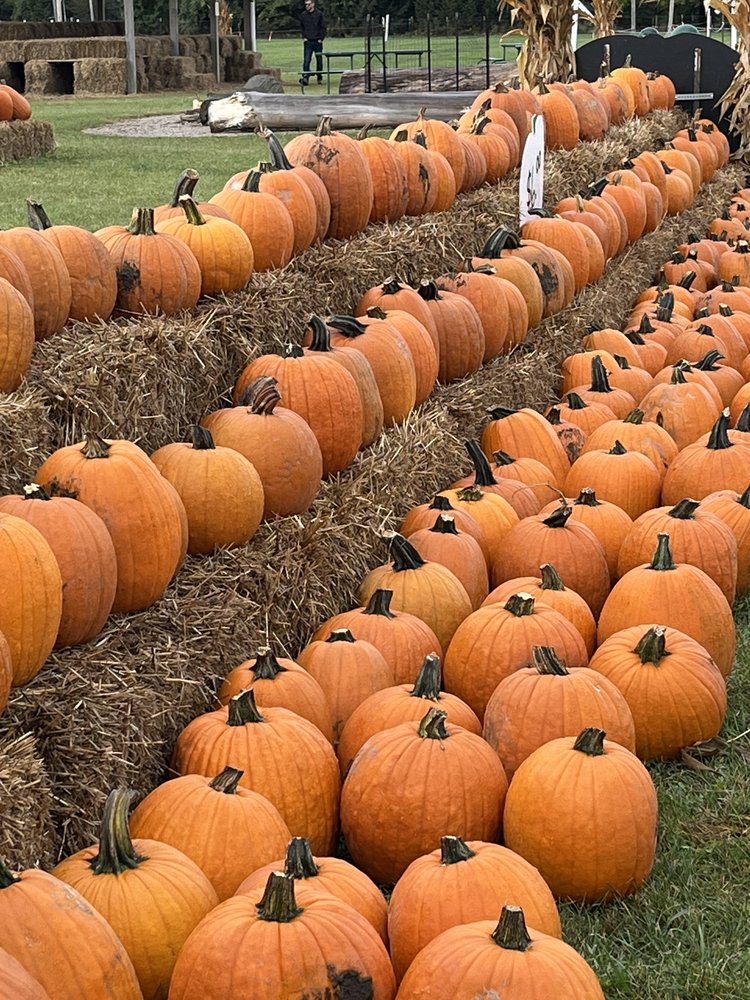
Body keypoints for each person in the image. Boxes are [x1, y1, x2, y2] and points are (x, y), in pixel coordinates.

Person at [292, 0, 326, 86]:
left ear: (313, 4)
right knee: (307, 60)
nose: (307, 6)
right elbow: (302, 27)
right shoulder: (303, 15)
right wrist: (304, 37)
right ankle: (305, 77)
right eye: (306, 4)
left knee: (319, 60)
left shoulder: (319, 14)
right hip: (308, 41)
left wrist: (321, 38)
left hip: (317, 41)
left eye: (308, 4)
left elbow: (323, 27)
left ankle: (319, 77)